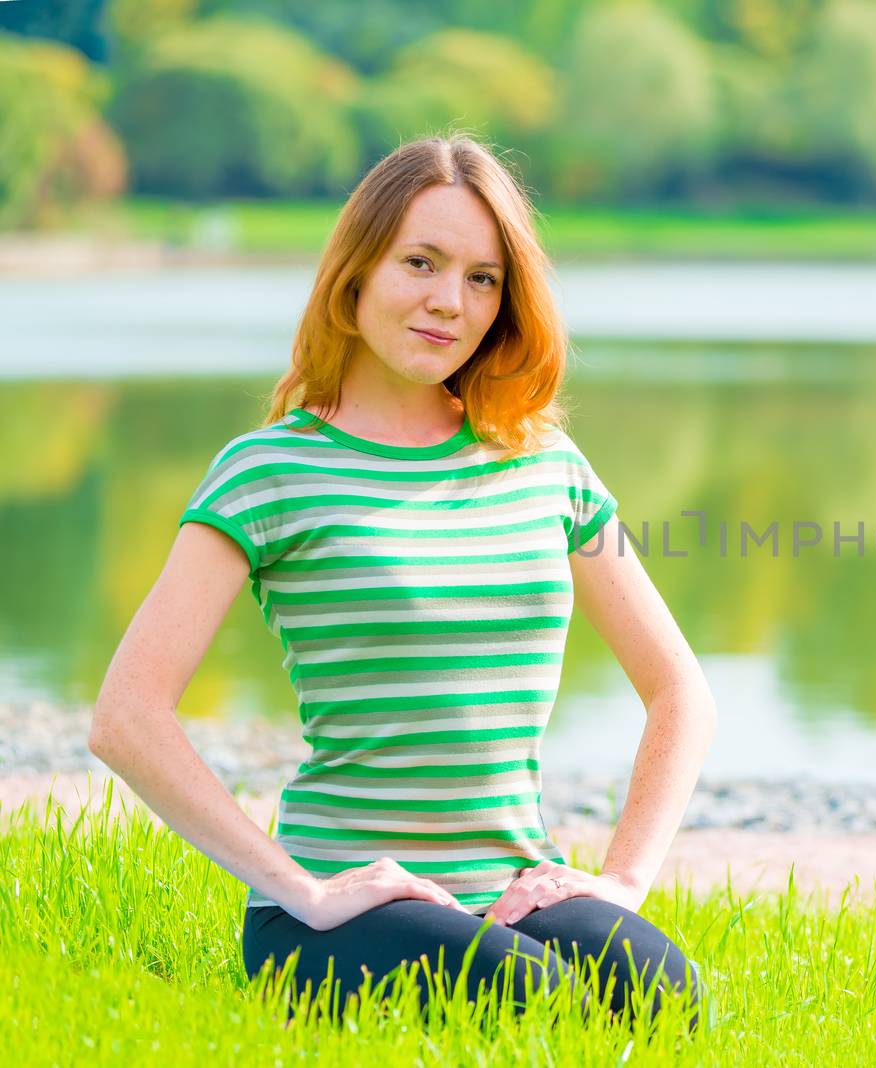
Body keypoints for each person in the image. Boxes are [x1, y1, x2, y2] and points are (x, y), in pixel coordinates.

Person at [87, 134, 717, 1029]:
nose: (448, 303)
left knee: (666, 1003)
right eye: (420, 262)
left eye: (481, 279)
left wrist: (620, 882)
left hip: (513, 890)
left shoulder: (546, 465)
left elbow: (678, 691)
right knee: (541, 1006)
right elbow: (126, 718)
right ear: (356, 275)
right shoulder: (269, 471)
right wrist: (298, 889)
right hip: (339, 915)